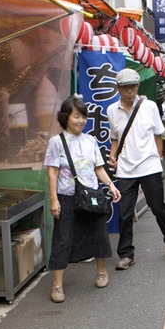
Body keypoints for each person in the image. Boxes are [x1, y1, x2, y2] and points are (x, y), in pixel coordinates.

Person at [45, 96, 122, 303]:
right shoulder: (56, 142)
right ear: (66, 117)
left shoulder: (90, 140)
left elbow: (98, 167)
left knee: (97, 233)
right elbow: (52, 173)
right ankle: (57, 285)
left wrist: (110, 185)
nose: (81, 121)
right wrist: (54, 200)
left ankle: (101, 272)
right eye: (76, 116)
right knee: (63, 238)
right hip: (67, 197)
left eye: (83, 117)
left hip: (91, 196)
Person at [106, 68, 165, 269]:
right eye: (126, 87)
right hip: (125, 169)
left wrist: (157, 156)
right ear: (118, 88)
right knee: (124, 213)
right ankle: (126, 254)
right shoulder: (112, 110)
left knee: (158, 207)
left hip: (149, 166)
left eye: (133, 86)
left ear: (137, 87)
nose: (130, 91)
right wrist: (113, 154)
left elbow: (158, 133)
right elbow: (115, 137)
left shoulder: (149, 107)